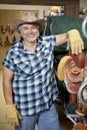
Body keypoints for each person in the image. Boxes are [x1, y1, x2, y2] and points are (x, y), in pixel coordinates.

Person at [2, 12, 84, 130]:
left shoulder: (47, 42)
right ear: (20, 31)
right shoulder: (13, 53)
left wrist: (72, 33)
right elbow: (6, 81)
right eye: (26, 28)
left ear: (38, 29)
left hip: (47, 106)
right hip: (26, 109)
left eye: (33, 27)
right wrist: (9, 106)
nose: (30, 31)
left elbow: (65, 36)